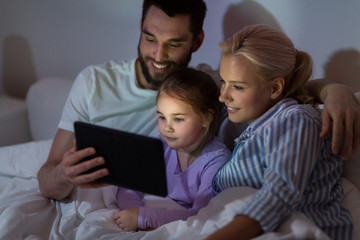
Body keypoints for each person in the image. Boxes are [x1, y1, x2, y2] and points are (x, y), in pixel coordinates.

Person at [37, 0, 360, 201]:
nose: (158, 56)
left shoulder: (210, 87)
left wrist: (336, 90)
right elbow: (46, 179)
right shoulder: (94, 82)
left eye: (174, 43)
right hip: (106, 202)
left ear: (198, 40)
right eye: (150, 38)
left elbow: (280, 88)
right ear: (140, 28)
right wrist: (64, 176)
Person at [206, 24, 353, 240]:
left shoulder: (296, 120)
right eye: (223, 82)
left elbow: (278, 196)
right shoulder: (250, 122)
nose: (223, 96)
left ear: (275, 88)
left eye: (237, 87)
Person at [113, 67, 231, 231]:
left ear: (206, 118)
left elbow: (201, 215)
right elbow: (129, 186)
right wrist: (134, 212)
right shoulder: (161, 144)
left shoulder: (216, 160)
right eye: (162, 117)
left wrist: (144, 218)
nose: (167, 127)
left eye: (178, 119)